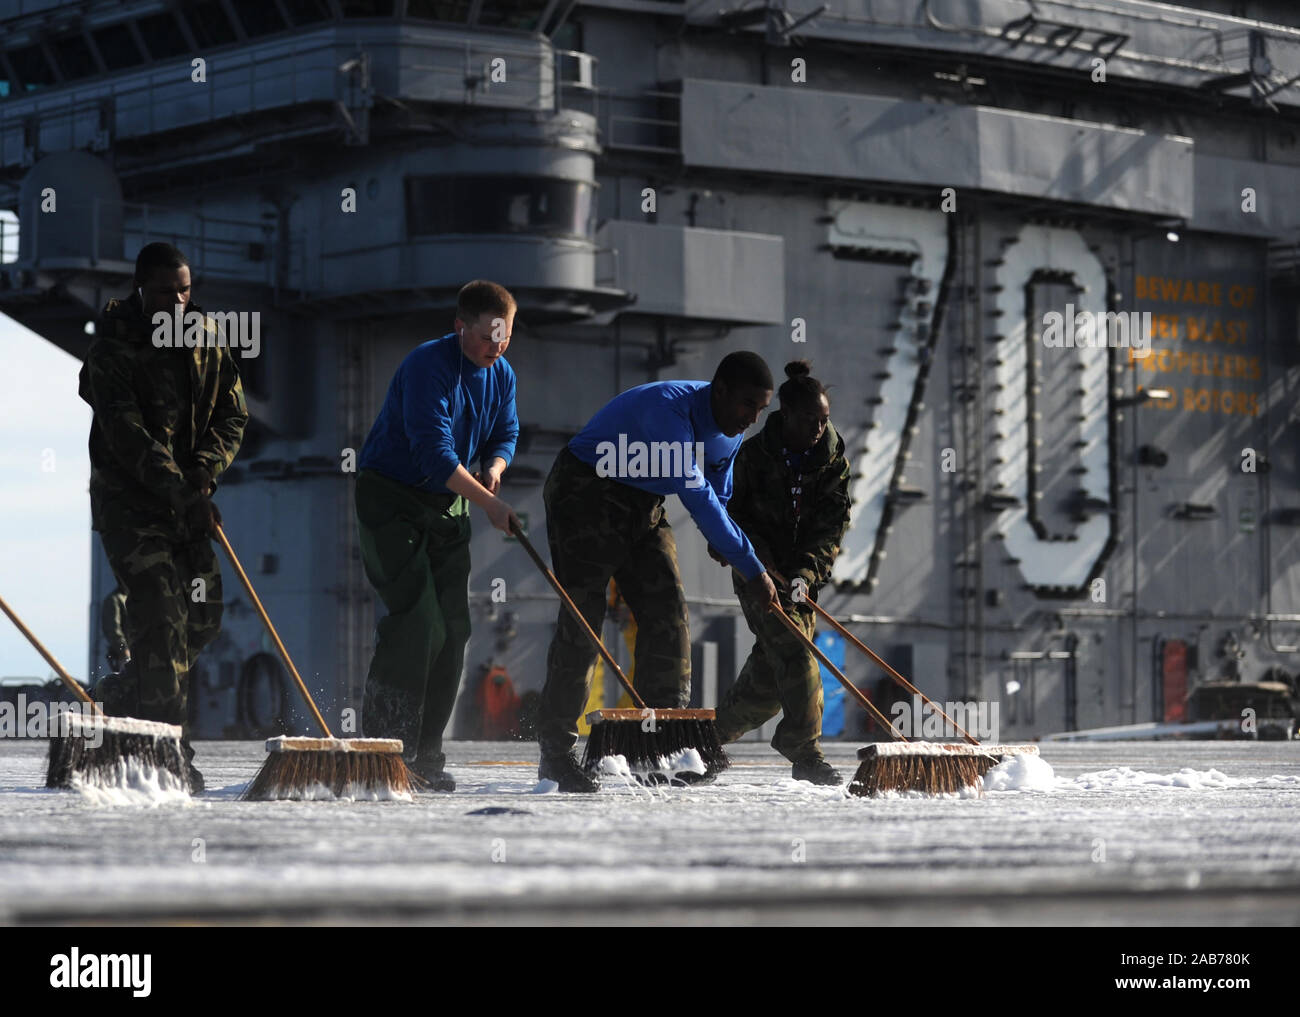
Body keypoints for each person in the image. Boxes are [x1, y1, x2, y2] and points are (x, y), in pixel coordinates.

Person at [537, 352, 779, 792]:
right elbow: (696, 495)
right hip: (586, 491)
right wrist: (753, 567)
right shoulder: (668, 411)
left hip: (642, 502)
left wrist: (718, 537)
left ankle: (661, 743)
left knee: (669, 613)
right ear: (718, 390)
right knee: (584, 618)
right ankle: (556, 752)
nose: (752, 419)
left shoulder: (731, 431)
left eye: (761, 409)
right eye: (747, 405)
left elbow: (718, 490)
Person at [79, 242, 248, 793]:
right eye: (164, 293)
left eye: (185, 290)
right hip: (132, 505)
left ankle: (126, 695)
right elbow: (127, 434)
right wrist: (179, 490)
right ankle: (168, 754)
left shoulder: (205, 337)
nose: (177, 302)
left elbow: (232, 413)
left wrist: (204, 470)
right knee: (161, 615)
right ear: (139, 290)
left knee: (204, 617)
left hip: (187, 503)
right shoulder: (113, 348)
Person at [356, 280, 522, 792]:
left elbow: (506, 433)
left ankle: (425, 754)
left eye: (506, 337)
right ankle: (386, 747)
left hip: (448, 505)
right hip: (393, 498)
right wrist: (491, 504)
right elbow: (436, 455)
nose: (497, 348)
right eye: (488, 337)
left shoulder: (501, 373)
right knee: (418, 620)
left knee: (454, 630)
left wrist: (495, 467)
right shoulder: (428, 367)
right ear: (459, 327)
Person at [712, 360, 851, 785]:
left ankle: (708, 739)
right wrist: (760, 559)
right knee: (796, 652)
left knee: (772, 680)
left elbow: (832, 527)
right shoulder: (752, 456)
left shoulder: (832, 462)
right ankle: (803, 750)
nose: (818, 428)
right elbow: (731, 514)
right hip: (755, 570)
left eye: (824, 420)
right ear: (786, 414)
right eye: (810, 419)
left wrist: (806, 575)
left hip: (801, 578)